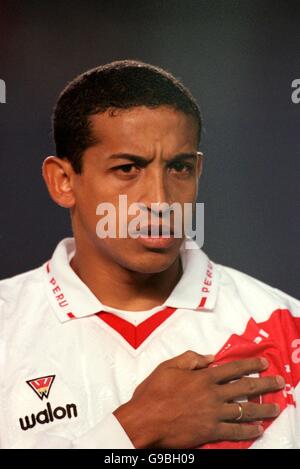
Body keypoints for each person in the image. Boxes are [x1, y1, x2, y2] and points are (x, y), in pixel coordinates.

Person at [0, 60, 299, 449]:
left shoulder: (287, 330)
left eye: (179, 168)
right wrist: (134, 430)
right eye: (128, 168)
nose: (160, 201)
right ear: (62, 181)